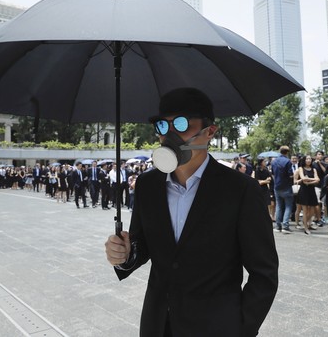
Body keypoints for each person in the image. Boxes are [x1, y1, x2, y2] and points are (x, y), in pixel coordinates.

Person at [104, 88, 278, 336]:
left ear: (210, 131)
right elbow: (142, 246)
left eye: (182, 124)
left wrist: (240, 327)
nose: (170, 135)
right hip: (157, 325)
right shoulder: (147, 185)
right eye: (163, 126)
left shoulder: (241, 189)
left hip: (217, 327)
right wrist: (124, 254)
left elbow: (265, 274)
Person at [271, 145, 294, 234]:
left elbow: (273, 174)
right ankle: (285, 226)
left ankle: (278, 226)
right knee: (288, 206)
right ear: (287, 152)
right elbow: (290, 174)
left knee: (279, 206)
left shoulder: (274, 161)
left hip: (277, 186)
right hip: (286, 186)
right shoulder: (288, 162)